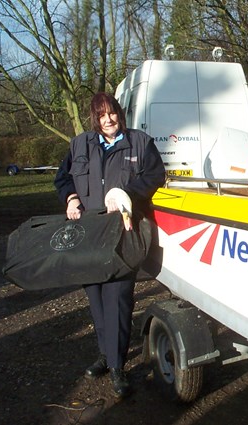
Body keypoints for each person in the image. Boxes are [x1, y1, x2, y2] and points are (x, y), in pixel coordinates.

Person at [54, 92, 166, 397]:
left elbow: (156, 175)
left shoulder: (140, 142)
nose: (108, 120)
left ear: (119, 113)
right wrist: (71, 198)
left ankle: (117, 367)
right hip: (89, 235)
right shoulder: (80, 144)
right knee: (97, 298)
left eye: (112, 113)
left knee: (118, 298)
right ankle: (105, 354)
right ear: (95, 118)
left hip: (122, 233)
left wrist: (127, 192)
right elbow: (62, 179)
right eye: (101, 115)